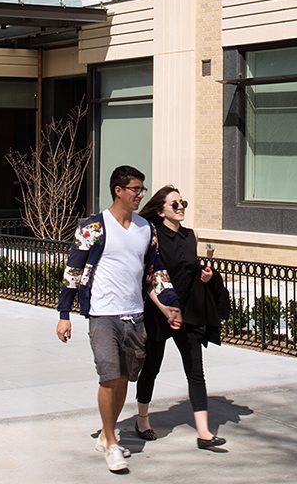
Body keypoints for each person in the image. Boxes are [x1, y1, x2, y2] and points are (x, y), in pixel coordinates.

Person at [57, 166, 182, 474]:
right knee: (109, 377)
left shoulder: (146, 229)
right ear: (118, 190)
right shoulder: (93, 228)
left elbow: (155, 272)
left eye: (142, 189)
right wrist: (64, 314)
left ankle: (106, 434)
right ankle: (112, 442)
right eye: (136, 189)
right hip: (103, 314)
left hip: (135, 315)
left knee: (125, 377)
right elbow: (73, 271)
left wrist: (169, 305)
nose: (141, 195)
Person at [133, 186, 226, 450]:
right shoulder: (152, 237)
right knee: (152, 367)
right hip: (159, 312)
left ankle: (204, 433)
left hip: (188, 313)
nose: (180, 207)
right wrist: (164, 309)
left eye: (182, 202)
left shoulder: (190, 235)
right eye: (174, 204)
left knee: (196, 371)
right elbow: (149, 278)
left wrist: (205, 277)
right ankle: (142, 419)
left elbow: (190, 271)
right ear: (161, 210)